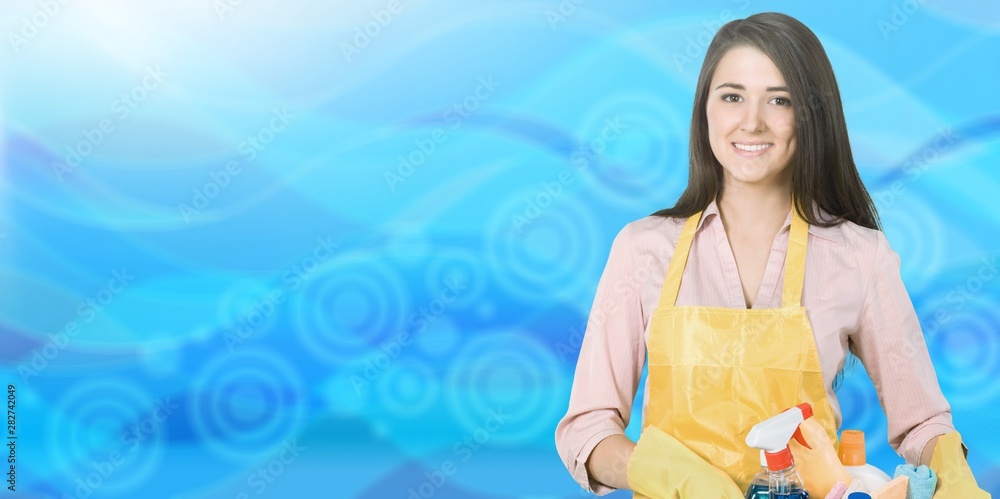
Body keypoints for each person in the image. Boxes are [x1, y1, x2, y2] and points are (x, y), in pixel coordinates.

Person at [554, 12, 989, 498]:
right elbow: (587, 430)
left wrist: (952, 476)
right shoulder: (642, 249)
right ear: (705, 111)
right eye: (732, 97)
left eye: (779, 100)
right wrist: (678, 478)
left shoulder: (860, 257)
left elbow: (923, 425)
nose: (751, 122)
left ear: (811, 115)